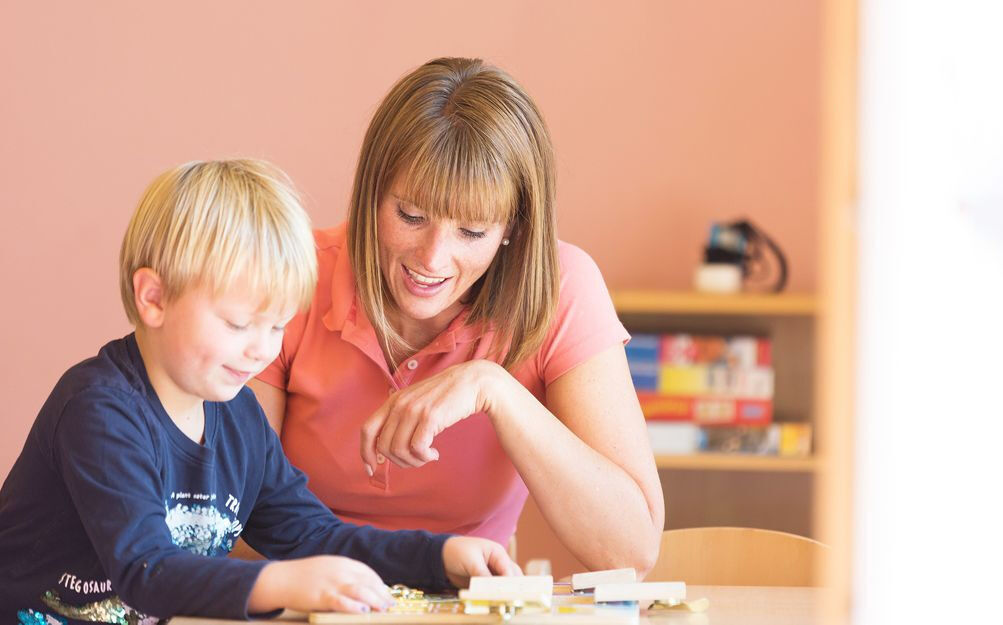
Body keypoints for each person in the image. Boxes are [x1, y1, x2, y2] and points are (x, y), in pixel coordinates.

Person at [0, 159, 517, 625]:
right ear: (153, 298)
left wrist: (442, 556)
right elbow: (146, 570)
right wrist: (282, 583)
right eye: (238, 324)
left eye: (277, 328)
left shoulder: (241, 418)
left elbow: (314, 535)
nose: (259, 352)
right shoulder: (99, 411)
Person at [250, 58, 664, 573]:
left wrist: (495, 389)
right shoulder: (295, 274)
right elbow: (234, 519)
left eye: (472, 231)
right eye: (411, 216)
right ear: (371, 193)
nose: (432, 258)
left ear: (513, 226)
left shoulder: (562, 289)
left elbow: (632, 548)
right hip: (300, 599)